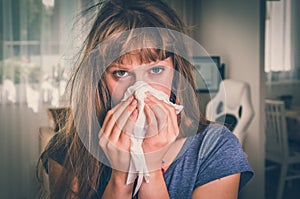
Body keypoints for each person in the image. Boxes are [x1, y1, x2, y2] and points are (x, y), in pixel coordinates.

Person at [38, 0, 253, 198]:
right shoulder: (67, 150)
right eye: (121, 73)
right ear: (100, 78)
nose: (140, 89)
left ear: (176, 72)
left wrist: (150, 167)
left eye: (157, 70)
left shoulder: (215, 149)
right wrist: (121, 178)